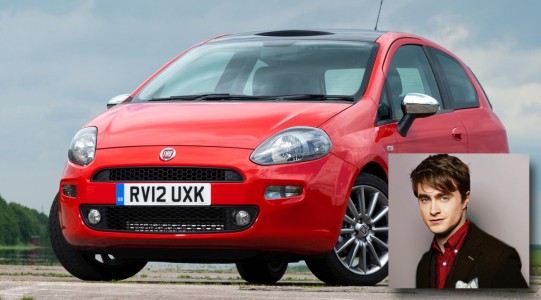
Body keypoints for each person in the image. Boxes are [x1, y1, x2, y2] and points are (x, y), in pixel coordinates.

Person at [410, 154, 528, 288]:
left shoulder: (500, 259)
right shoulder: (424, 264)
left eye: (444, 198)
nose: (433, 210)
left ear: (465, 199)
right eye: (425, 199)